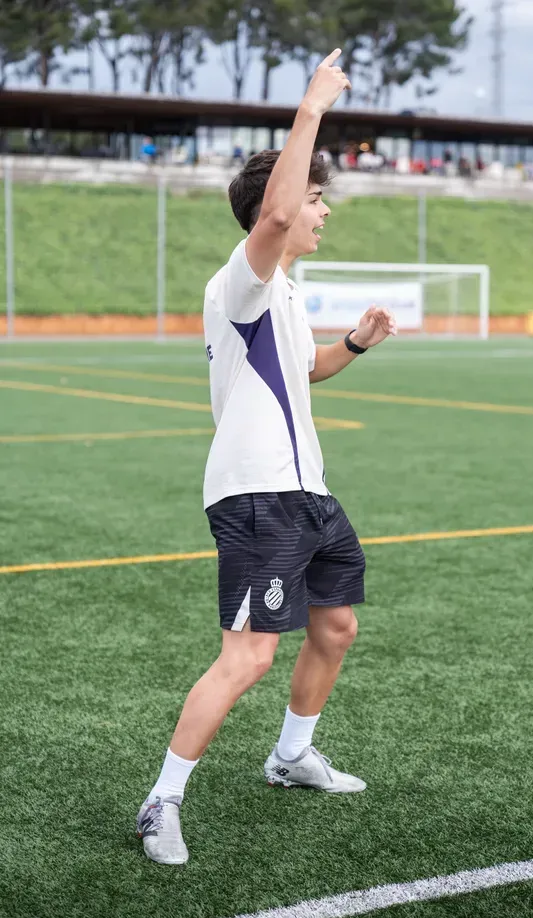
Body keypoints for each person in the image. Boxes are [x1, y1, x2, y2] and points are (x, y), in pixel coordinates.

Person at [136, 48, 398, 866]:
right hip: (258, 496)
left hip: (308, 494)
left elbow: (309, 370)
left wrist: (354, 342)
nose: (324, 213)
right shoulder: (241, 281)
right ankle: (160, 802)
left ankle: (291, 755)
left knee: (337, 625)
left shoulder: (283, 294)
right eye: (319, 197)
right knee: (247, 656)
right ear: (276, 210)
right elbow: (278, 220)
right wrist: (312, 107)